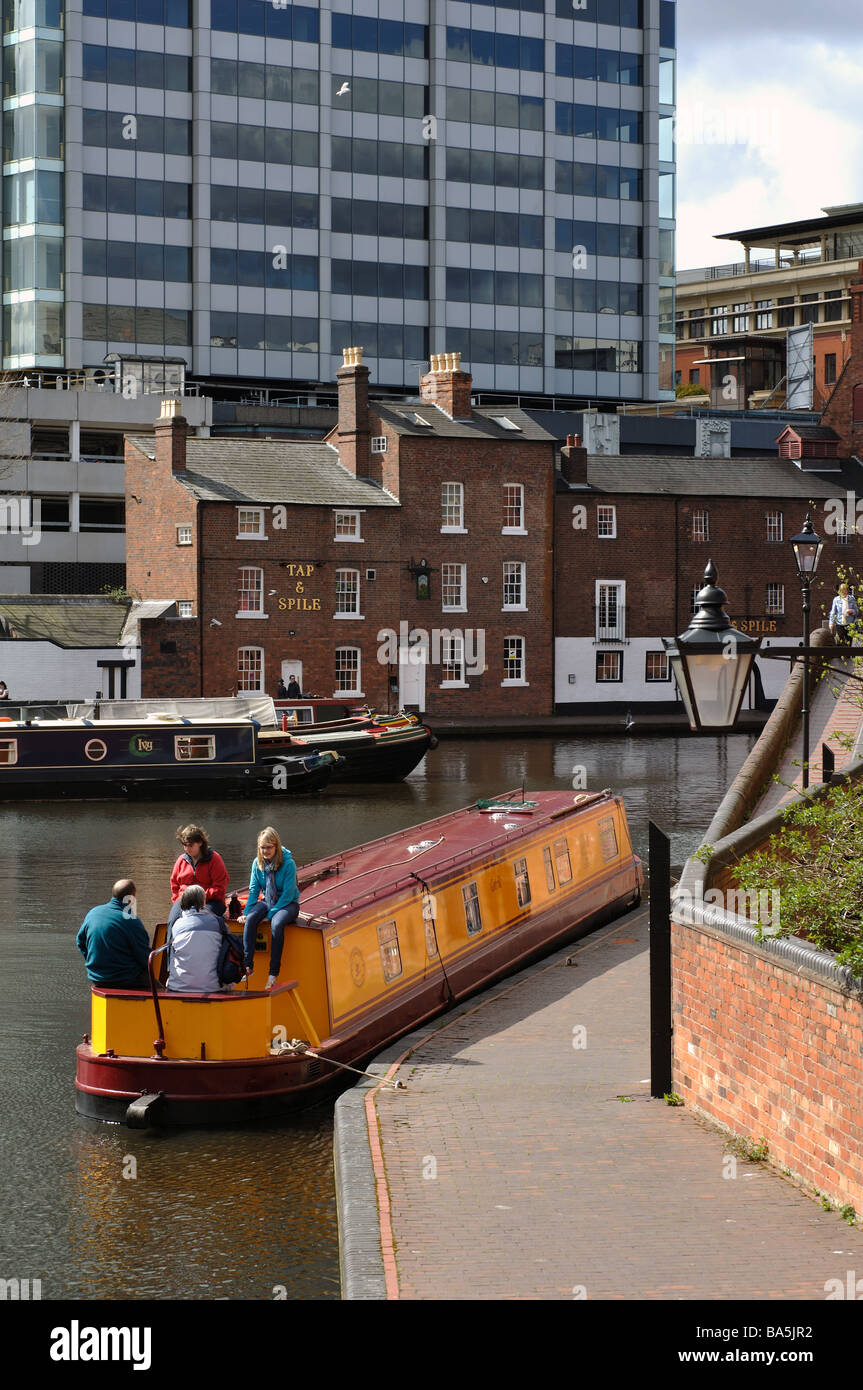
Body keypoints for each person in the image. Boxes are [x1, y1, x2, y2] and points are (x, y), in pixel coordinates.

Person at [239, 826, 300, 990]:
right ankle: (247, 966)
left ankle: (273, 973)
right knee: (251, 919)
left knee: (276, 924)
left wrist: (271, 914)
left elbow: (288, 894)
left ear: (276, 847)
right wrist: (246, 913)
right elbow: (253, 891)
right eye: (262, 847)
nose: (265, 851)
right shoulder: (256, 863)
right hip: (268, 900)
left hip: (288, 904)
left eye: (269, 847)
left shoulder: (289, 864)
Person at [77, 878, 151, 990]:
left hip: (96, 977)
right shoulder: (131, 920)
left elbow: (80, 941)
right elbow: (144, 958)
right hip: (123, 979)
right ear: (131, 899)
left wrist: (92, 960)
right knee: (155, 981)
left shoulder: (93, 912)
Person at [165, 885, 227, 993]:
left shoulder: (177, 925)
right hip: (212, 987)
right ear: (204, 902)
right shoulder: (218, 923)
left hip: (178, 986)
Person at [168, 824, 229, 927]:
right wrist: (176, 901)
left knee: (201, 922)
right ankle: (171, 943)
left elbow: (220, 887)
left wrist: (200, 896)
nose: (187, 849)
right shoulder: (181, 860)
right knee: (173, 921)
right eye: (185, 845)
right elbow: (174, 884)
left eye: (190, 845)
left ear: (200, 843)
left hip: (211, 902)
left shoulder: (214, 859)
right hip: (184, 901)